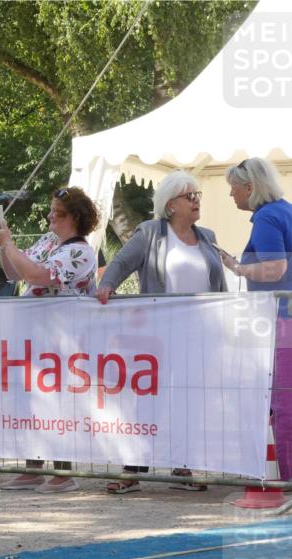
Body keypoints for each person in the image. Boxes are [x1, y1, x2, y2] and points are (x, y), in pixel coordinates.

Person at [97, 170, 227, 493]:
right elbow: (120, 263)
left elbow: (219, 285)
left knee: (189, 401)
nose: (196, 201)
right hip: (156, 335)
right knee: (146, 401)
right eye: (189, 196)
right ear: (170, 205)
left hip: (197, 335)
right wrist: (107, 285)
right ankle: (132, 470)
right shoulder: (151, 233)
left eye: (198, 195)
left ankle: (183, 468)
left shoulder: (207, 237)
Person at [0, 186, 100, 493]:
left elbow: (40, 276)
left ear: (76, 218)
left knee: (60, 404)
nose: (51, 215)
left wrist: (10, 245)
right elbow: (15, 272)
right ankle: (32, 468)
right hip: (34, 335)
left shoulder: (81, 252)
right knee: (29, 401)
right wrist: (5, 247)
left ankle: (64, 472)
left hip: (63, 338)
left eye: (59, 212)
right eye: (52, 210)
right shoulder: (50, 240)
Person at [221, 157, 292, 481]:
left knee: (283, 402)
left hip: (281, 321)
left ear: (249, 187)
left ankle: (288, 479)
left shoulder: (266, 217)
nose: (231, 195)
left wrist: (239, 269)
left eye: (233, 188)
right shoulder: (284, 210)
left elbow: (275, 268)